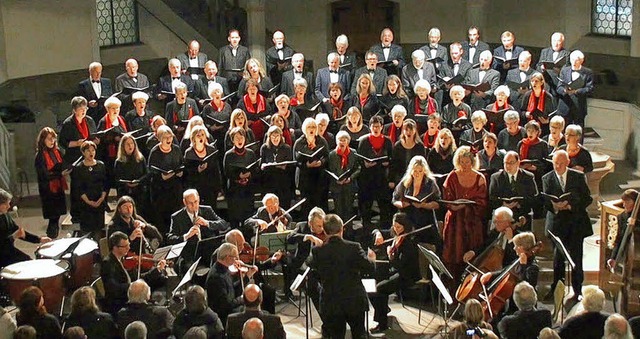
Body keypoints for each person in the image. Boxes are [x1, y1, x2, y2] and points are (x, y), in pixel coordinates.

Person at [306, 214, 376, 339]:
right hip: (354, 300)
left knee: (336, 336)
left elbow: (310, 264)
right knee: (359, 333)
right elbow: (369, 268)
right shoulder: (354, 247)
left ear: (325, 231)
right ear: (342, 229)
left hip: (331, 302)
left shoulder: (318, 251)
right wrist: (372, 259)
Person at [542, 150, 593, 304]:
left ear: (567, 163)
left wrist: (570, 206)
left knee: (576, 258)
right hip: (557, 224)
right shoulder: (547, 178)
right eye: (555, 163)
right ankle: (557, 290)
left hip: (575, 223)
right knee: (558, 260)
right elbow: (544, 201)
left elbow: (587, 198)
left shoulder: (577, 177)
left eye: (560, 163)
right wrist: (556, 206)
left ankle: (578, 290)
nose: (557, 166)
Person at [370, 213, 422, 333]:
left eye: (399, 227)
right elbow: (376, 230)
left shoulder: (410, 242)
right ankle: (383, 310)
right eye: (394, 226)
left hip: (407, 275)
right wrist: (377, 234)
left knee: (379, 289)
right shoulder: (394, 232)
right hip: (396, 270)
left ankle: (382, 323)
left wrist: (390, 256)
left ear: (405, 226)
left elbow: (401, 265)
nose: (395, 229)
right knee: (373, 285)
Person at [442, 146, 488, 281]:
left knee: (471, 254)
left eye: (467, 162)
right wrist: (453, 206)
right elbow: (446, 198)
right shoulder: (452, 176)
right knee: (453, 255)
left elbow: (482, 203)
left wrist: (465, 205)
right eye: (462, 162)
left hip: (472, 222)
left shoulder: (480, 178)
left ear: (473, 161)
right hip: (454, 222)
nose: (465, 165)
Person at [101, 231, 167, 315]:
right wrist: (133, 286)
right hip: (118, 304)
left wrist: (157, 270)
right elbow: (113, 289)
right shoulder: (108, 263)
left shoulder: (122, 259)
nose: (128, 248)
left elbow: (138, 278)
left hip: (128, 300)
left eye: (128, 244)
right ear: (115, 248)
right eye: (125, 246)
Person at [168, 189, 229, 273]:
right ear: (184, 202)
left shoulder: (207, 210)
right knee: (192, 270)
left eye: (196, 202)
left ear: (199, 199)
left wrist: (207, 223)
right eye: (190, 203)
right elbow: (170, 238)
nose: (194, 205)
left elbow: (224, 224)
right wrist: (186, 236)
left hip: (209, 251)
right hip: (190, 255)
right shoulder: (176, 217)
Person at [392, 156, 442, 250]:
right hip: (408, 218)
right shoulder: (405, 182)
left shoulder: (430, 183)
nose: (417, 174)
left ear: (424, 171)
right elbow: (395, 199)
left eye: (420, 171)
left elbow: (438, 203)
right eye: (415, 171)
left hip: (425, 219)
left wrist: (424, 205)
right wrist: (402, 204)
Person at [358, 115, 394, 234]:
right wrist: (365, 164)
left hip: (382, 178)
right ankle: (366, 230)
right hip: (367, 178)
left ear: (382, 127)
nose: (376, 129)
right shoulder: (364, 141)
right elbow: (359, 159)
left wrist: (387, 163)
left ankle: (385, 231)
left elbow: (392, 159)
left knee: (384, 205)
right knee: (366, 205)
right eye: (373, 126)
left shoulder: (387, 141)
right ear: (370, 127)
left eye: (378, 126)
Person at [0, 188, 52, 267]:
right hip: (2, 257)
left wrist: (39, 239)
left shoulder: (4, 215)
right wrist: (14, 236)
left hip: (8, 252)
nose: (9, 206)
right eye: (6, 204)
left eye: (9, 203)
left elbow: (19, 231)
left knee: (30, 262)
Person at [147, 125, 184, 234]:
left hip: (174, 190)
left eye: (170, 137)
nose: (169, 140)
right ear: (159, 138)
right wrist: (162, 177)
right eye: (165, 137)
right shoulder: (155, 152)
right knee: (163, 223)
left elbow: (181, 164)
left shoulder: (176, 149)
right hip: (160, 192)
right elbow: (150, 172)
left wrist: (181, 172)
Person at [285, 207, 326, 303]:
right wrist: (307, 236)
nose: (322, 228)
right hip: (303, 264)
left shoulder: (326, 229)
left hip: (320, 265)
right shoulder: (302, 226)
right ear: (310, 223)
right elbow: (289, 238)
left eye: (323, 225)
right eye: (319, 226)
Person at [489, 151, 539, 230]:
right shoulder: (496, 177)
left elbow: (534, 198)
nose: (508, 166)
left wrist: (519, 204)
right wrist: (504, 205)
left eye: (511, 162)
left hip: (522, 215)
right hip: (503, 217)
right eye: (506, 163)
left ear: (518, 163)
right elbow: (492, 198)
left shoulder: (528, 177)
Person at [34, 127, 69, 238]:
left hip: (58, 187)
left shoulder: (57, 151)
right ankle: (50, 239)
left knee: (56, 218)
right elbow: (43, 175)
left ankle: (52, 238)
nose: (52, 141)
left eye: (53, 138)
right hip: (48, 190)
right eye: (49, 139)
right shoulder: (40, 155)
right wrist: (60, 173)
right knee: (53, 218)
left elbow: (63, 164)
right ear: (43, 140)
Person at [608, 189, 638, 316]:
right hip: (627, 255)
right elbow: (618, 240)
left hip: (636, 254)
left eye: (628, 201)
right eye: (623, 201)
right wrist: (613, 258)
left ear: (635, 202)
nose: (624, 204)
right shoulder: (622, 217)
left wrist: (636, 224)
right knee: (624, 283)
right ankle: (623, 311)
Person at [205, 243, 251, 325]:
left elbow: (232, 289)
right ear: (227, 257)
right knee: (250, 313)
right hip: (223, 316)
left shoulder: (224, 269)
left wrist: (247, 277)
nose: (236, 260)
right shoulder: (217, 277)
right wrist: (242, 298)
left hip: (229, 308)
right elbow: (226, 305)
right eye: (234, 257)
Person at [293, 118, 330, 216]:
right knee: (306, 204)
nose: (311, 129)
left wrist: (321, 162)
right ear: (305, 129)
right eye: (309, 127)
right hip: (305, 176)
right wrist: (306, 165)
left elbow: (327, 156)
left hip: (319, 176)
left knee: (319, 202)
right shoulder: (299, 142)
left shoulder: (321, 141)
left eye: (314, 127)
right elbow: (295, 160)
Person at [223, 127, 259, 229]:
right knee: (235, 219)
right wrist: (239, 176)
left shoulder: (250, 153)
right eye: (236, 138)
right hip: (234, 192)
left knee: (247, 219)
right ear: (232, 140)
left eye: (241, 137)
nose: (239, 140)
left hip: (247, 191)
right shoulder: (228, 155)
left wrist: (249, 175)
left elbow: (255, 170)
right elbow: (226, 172)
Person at [71, 140, 108, 238]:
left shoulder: (101, 165)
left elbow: (105, 183)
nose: (91, 153)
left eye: (93, 150)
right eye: (88, 150)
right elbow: (78, 188)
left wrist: (101, 198)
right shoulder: (79, 168)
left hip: (99, 203)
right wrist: (89, 202)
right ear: (83, 152)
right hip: (85, 205)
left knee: (98, 234)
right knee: (85, 235)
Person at [184, 125, 223, 208]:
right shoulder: (189, 153)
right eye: (198, 135)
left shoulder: (211, 149)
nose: (201, 137)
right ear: (193, 138)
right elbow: (187, 173)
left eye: (202, 135)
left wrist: (218, 188)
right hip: (197, 187)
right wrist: (197, 170)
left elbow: (216, 170)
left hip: (210, 187)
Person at [327, 131, 361, 224]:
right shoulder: (331, 154)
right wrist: (336, 179)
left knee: (349, 210)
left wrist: (350, 178)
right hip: (336, 186)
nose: (342, 142)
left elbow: (358, 168)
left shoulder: (353, 153)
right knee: (338, 210)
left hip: (350, 185)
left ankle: (349, 231)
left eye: (344, 140)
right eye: (340, 140)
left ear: (348, 141)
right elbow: (329, 169)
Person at [556, 50, 594, 127]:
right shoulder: (565, 70)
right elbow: (559, 87)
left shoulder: (588, 72)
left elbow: (590, 88)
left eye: (576, 60)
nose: (573, 62)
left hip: (579, 106)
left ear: (581, 61)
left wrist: (576, 91)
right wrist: (564, 90)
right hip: (565, 106)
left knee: (578, 131)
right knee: (563, 131)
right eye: (572, 59)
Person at [259, 126, 294, 207]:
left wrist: (283, 166)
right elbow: (261, 163)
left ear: (281, 137)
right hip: (269, 180)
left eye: (277, 136)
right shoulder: (264, 148)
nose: (275, 138)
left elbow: (290, 166)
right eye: (273, 136)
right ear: (269, 137)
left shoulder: (286, 148)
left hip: (283, 181)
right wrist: (263, 166)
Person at [97, 96, 128, 187]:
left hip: (121, 153)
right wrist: (113, 139)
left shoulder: (121, 119)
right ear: (107, 109)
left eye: (117, 108)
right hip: (108, 155)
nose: (116, 110)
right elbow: (100, 138)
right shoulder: (103, 121)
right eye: (113, 108)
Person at [113, 133, 148, 214]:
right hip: (125, 192)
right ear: (123, 146)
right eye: (127, 144)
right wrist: (127, 183)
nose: (130, 146)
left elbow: (146, 174)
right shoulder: (119, 161)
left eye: (132, 143)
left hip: (140, 192)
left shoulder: (140, 158)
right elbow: (116, 179)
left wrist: (138, 181)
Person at [390, 117, 425, 186]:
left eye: (411, 130)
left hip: (415, 178)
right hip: (400, 179)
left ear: (415, 131)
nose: (409, 132)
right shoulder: (398, 145)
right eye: (406, 130)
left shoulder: (420, 146)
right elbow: (393, 164)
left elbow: (423, 164)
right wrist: (391, 180)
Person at [520, 72, 556, 137]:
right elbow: (521, 111)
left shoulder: (548, 96)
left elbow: (552, 113)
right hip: (529, 126)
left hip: (543, 127)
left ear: (541, 82)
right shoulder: (527, 95)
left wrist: (547, 120)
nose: (534, 83)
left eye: (536, 81)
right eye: (532, 81)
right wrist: (526, 114)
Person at [219, 29, 251, 93]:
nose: (234, 39)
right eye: (232, 37)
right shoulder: (223, 50)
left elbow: (248, 65)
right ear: (229, 39)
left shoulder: (245, 50)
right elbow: (220, 66)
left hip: (241, 80)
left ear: (239, 38)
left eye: (236, 37)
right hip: (227, 81)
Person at [124, 91, 154, 156]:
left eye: (143, 102)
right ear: (135, 104)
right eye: (139, 102)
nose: (142, 104)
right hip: (136, 143)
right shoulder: (130, 115)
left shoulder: (150, 114)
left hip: (148, 143)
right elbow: (129, 130)